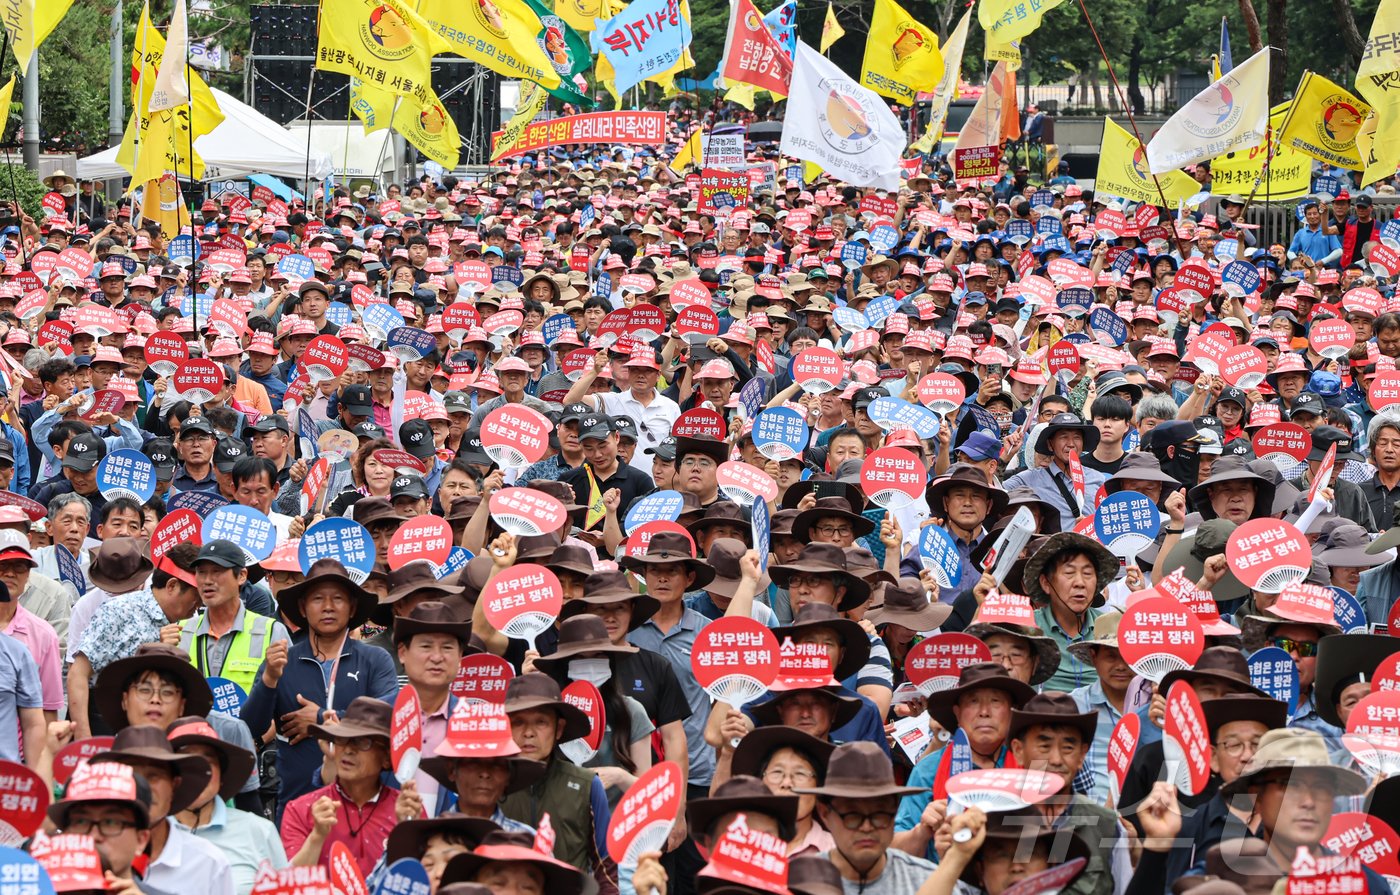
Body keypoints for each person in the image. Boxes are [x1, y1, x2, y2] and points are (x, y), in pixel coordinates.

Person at [243, 559, 399, 814]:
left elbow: (386, 721)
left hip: (364, 807)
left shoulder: (374, 659)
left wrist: (319, 721)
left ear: (352, 607)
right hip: (297, 806)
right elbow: (251, 726)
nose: (328, 607)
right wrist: (269, 680)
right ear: (303, 608)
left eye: (338, 598)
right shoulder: (283, 661)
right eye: (317, 599)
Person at [93, 724, 236, 895]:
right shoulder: (82, 854)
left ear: (174, 785)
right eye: (131, 774)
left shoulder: (209, 863)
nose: (143, 787)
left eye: (154, 776)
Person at [167, 715, 289, 895]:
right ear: (170, 777)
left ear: (222, 777)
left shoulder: (259, 831)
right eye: (186, 761)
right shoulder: (148, 835)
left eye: (208, 762)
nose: (199, 772)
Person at [796, 742, 935, 895]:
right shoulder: (794, 883)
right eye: (852, 816)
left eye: (879, 814)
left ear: (895, 811)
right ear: (825, 814)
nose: (867, 827)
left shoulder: (930, 883)